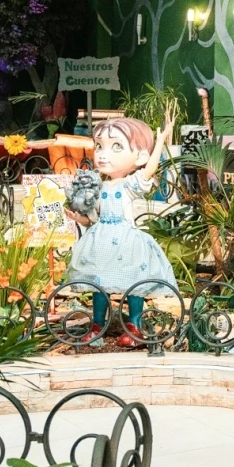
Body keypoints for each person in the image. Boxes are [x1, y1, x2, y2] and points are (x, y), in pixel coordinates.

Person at [66, 116, 178, 347]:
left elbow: (149, 171)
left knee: (134, 283)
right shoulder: (98, 187)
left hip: (126, 240)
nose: (103, 154)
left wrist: (160, 142)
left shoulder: (129, 185)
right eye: (99, 146)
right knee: (99, 283)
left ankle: (135, 327)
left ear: (140, 156)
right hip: (100, 240)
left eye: (116, 147)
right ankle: (97, 326)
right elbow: (92, 219)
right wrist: (78, 218)